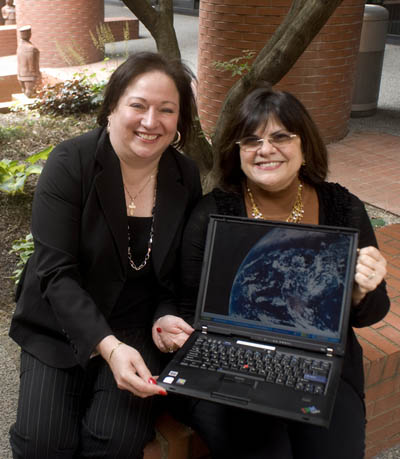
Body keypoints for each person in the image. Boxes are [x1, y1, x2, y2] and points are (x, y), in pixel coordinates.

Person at [176, 85, 390, 459]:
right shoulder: (211, 213)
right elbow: (185, 303)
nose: (265, 149)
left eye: (280, 137)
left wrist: (361, 292)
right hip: (233, 360)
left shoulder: (343, 208)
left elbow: (373, 312)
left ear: (304, 146)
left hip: (320, 363)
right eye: (251, 140)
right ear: (237, 152)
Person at [9, 51, 202, 458]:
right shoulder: (71, 162)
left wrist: (166, 314)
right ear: (112, 107)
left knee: (115, 440)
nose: (151, 122)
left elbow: (171, 276)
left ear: (179, 122)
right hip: (60, 323)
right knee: (43, 442)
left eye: (167, 110)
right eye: (138, 105)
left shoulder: (184, 176)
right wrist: (106, 346)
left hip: (135, 326)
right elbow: (56, 273)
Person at [17, 26, 41, 98]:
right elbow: (32, 64)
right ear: (29, 34)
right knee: (29, 94)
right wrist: (36, 74)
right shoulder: (31, 48)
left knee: (26, 92)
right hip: (29, 76)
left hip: (21, 74)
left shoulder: (20, 47)